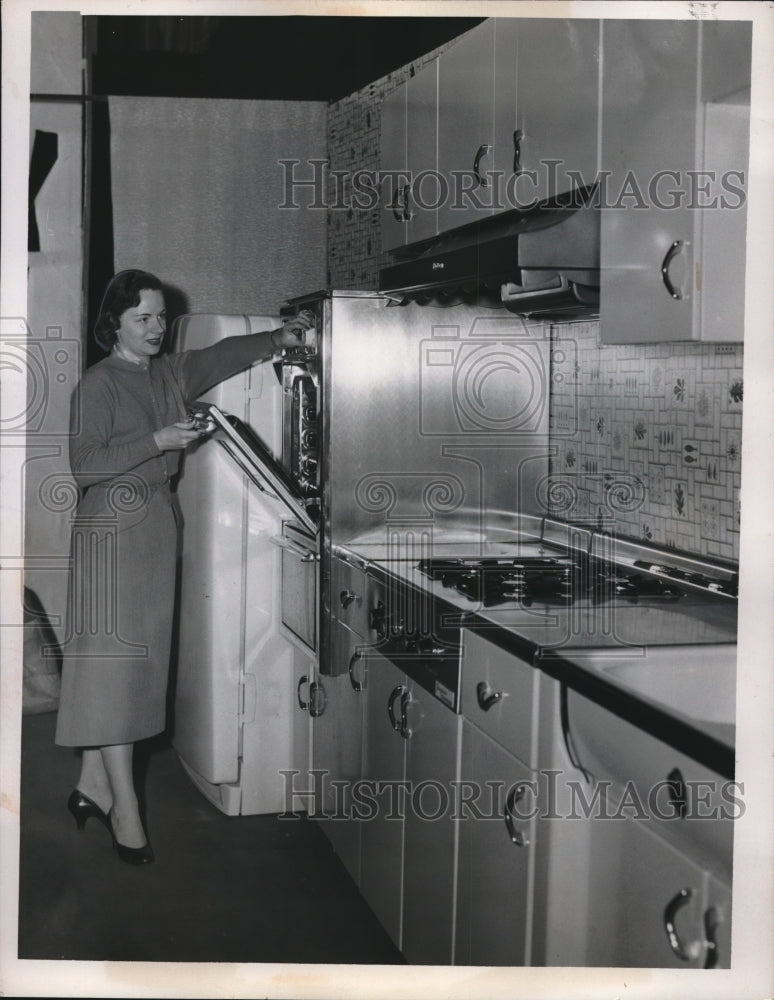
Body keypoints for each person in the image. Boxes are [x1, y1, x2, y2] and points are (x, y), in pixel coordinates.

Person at [54, 269, 314, 864]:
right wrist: (158, 441)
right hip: (110, 532)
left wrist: (280, 339)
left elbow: (221, 354)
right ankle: (127, 812)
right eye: (142, 318)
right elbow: (85, 466)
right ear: (113, 324)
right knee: (117, 674)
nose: (155, 328)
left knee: (131, 671)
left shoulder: (168, 372)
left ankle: (91, 785)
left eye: (161, 317)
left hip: (153, 526)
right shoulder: (98, 384)